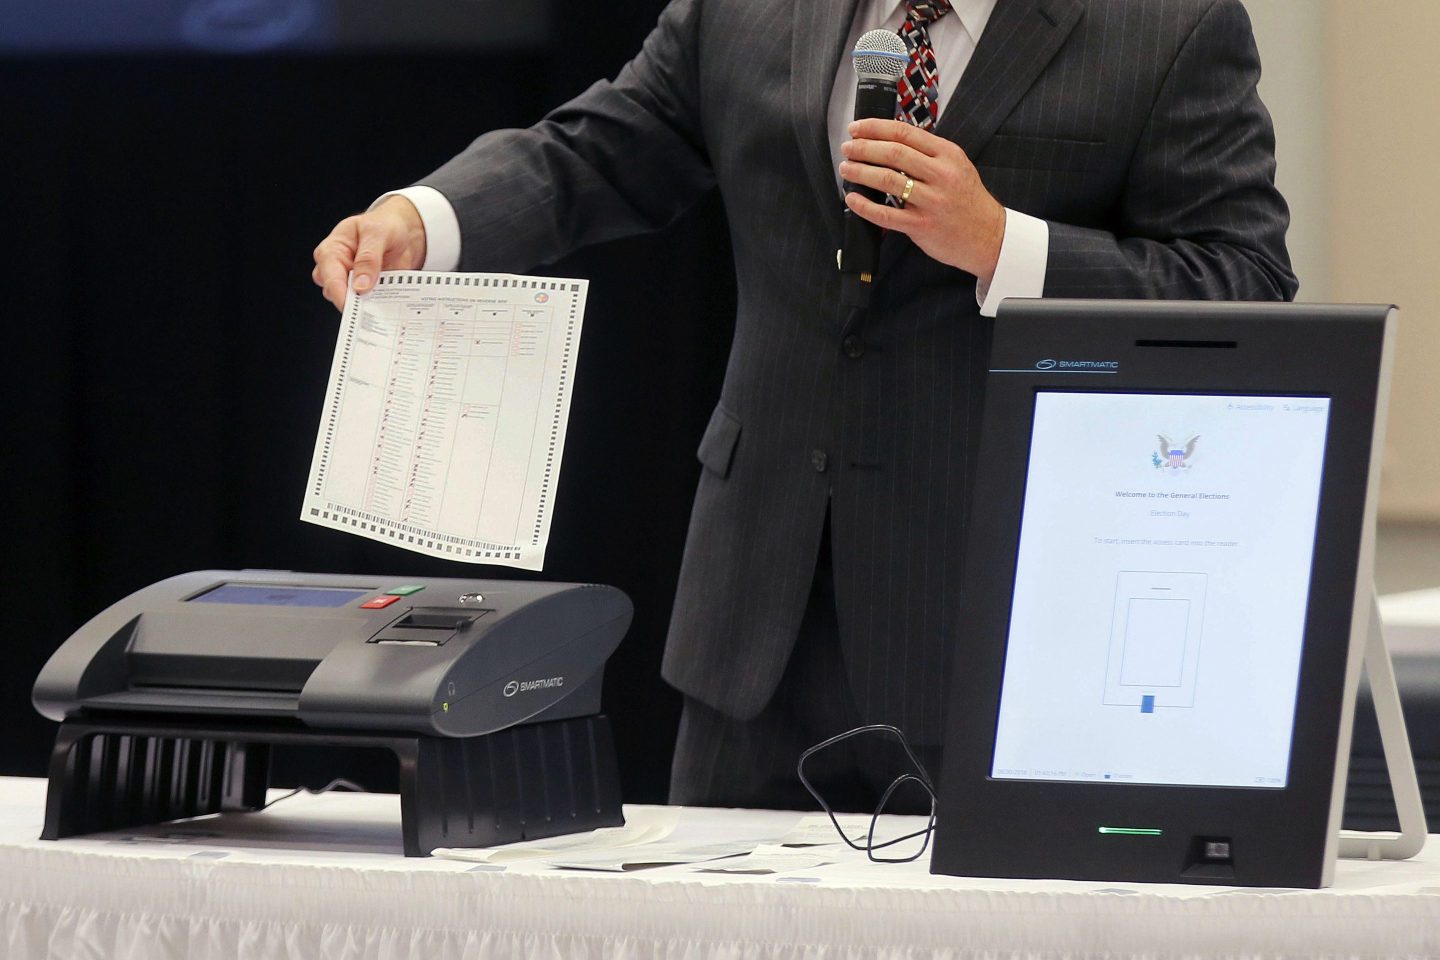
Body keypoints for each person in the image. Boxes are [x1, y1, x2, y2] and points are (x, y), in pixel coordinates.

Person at [312, 0, 1297, 813]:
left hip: (1005, 625)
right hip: (757, 626)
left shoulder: (1167, 24)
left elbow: (1245, 280)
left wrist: (1004, 245)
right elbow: (599, 151)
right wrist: (425, 218)